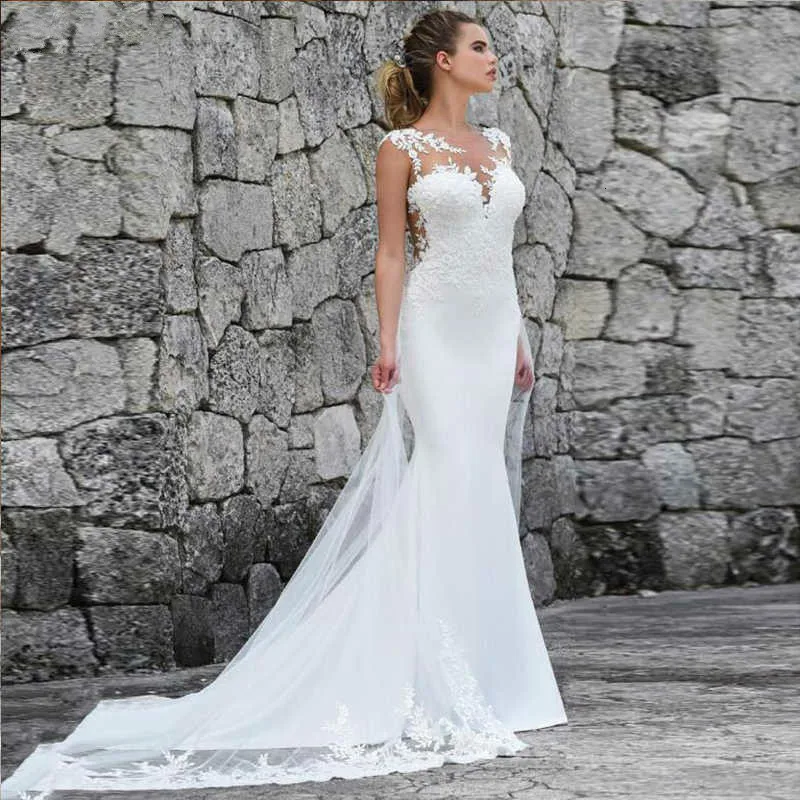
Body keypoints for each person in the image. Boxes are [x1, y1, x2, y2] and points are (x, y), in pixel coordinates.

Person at [1, 8, 567, 798]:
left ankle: (496, 675)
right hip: (434, 333)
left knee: (479, 483)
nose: (494, 57)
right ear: (443, 61)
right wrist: (388, 342)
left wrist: (518, 338)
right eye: (481, 47)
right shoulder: (400, 149)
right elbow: (391, 253)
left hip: (491, 334)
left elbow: (499, 254)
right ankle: (421, 669)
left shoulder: (497, 145)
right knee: (445, 472)